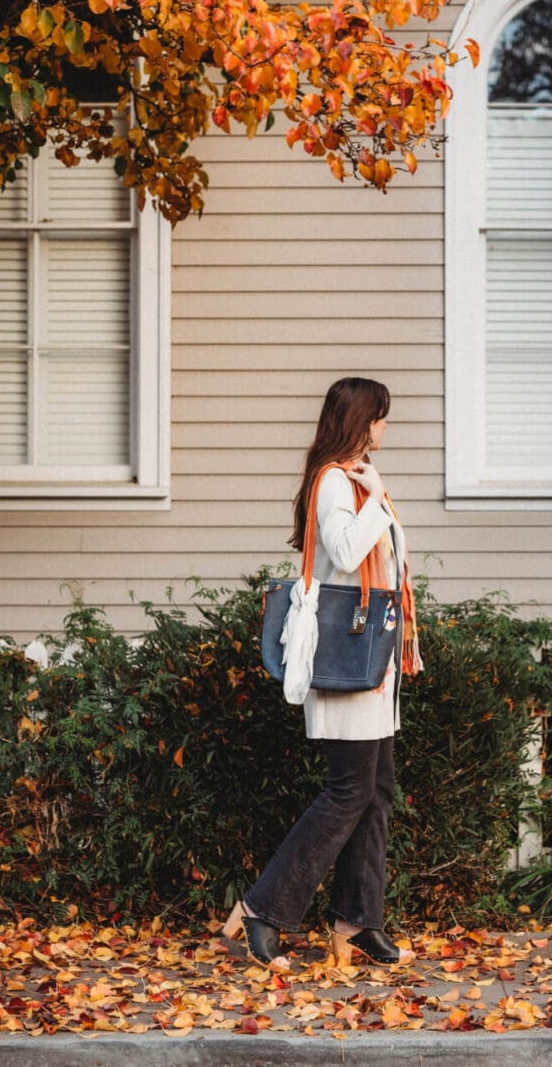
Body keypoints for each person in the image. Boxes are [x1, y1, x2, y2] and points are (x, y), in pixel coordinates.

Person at [222, 376, 421, 970]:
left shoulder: (352, 478)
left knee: (375, 790)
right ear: (362, 421)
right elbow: (344, 549)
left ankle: (356, 922)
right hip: (346, 658)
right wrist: (379, 499)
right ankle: (261, 909)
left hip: (372, 662)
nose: (386, 428)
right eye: (381, 418)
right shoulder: (337, 480)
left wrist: (378, 499)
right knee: (349, 791)